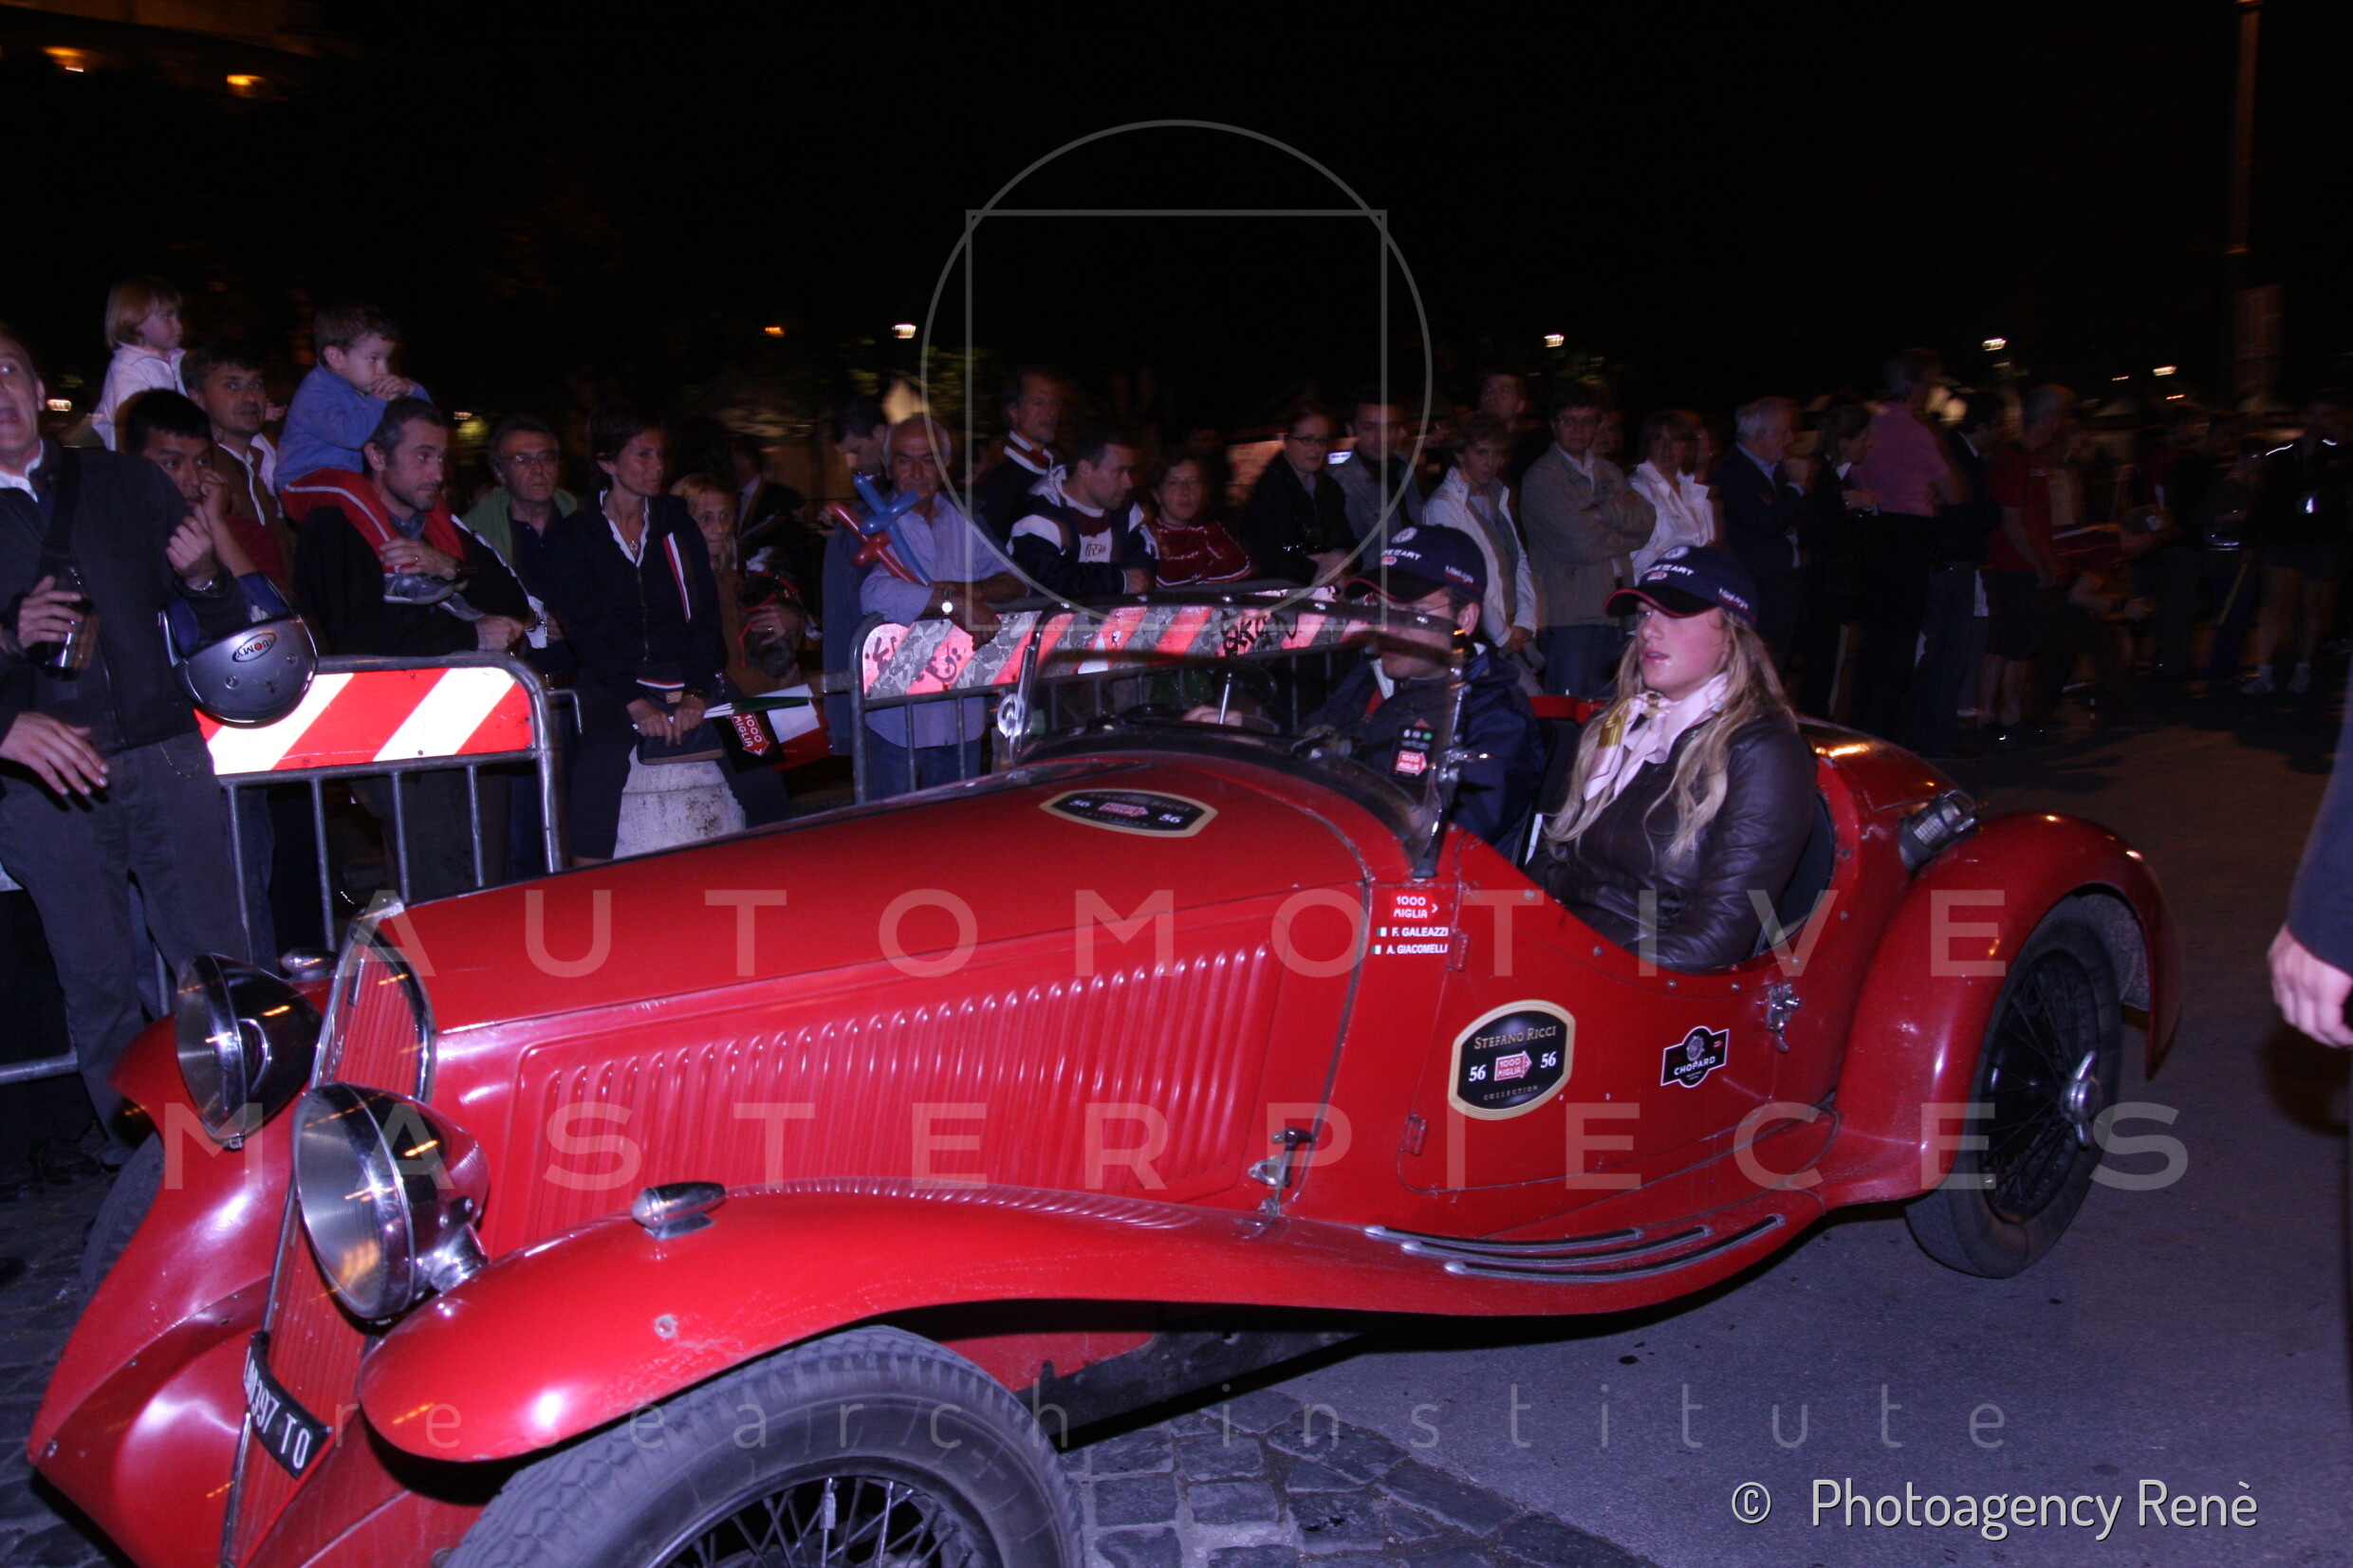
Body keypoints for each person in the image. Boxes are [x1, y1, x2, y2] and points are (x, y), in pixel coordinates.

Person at [0, 323, 249, 1153]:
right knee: (99, 981)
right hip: (45, 790)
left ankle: (250, 1133)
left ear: (39, 390)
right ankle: (148, 1162)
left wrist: (203, 575)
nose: (0, 392)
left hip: (163, 753)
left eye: (9, 370)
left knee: (215, 963)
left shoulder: (121, 481)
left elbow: (217, 612)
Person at [290, 399, 533, 897]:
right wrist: (470, 636)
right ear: (377, 456)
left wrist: (450, 567)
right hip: (395, 732)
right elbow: (359, 631)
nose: (437, 473)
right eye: (422, 456)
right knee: (435, 878)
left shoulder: (440, 525)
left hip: (468, 725)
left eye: (442, 458)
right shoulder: (335, 525)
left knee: (486, 874)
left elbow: (512, 602)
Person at [1534, 546, 1816, 972]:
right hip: (1566, 946)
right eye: (1645, 614)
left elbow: (1716, 938)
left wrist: (1589, 973)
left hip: (1650, 980)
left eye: (1675, 614)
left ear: (1731, 636)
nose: (1649, 630)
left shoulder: (1764, 752)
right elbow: (1545, 861)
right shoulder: (1613, 727)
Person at [547, 406, 787, 861]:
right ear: (607, 462)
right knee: (600, 762)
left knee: (757, 751)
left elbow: (704, 618)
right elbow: (586, 630)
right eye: (642, 455)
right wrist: (635, 703)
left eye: (661, 454)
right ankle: (587, 882)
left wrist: (696, 692)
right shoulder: (576, 536)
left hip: (689, 669)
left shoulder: (677, 525)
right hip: (613, 676)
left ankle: (783, 866)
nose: (656, 466)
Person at [1299, 526, 1541, 849]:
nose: (1388, 627)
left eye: (1414, 612)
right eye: (1381, 608)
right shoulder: (1371, 677)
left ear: (1465, 619)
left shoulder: (1496, 718)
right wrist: (1248, 734)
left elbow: (1444, 840)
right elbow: (1305, 746)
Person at [856, 415, 1026, 797]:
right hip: (893, 717)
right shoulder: (869, 524)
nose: (917, 473)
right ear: (887, 465)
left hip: (961, 712)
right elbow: (873, 593)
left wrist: (967, 592)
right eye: (905, 460)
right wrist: (951, 603)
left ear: (946, 464)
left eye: (928, 460)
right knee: (893, 824)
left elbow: (1015, 579)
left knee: (956, 823)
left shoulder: (966, 519)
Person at [1847, 349, 1961, 741]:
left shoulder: (1873, 423)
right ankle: (1884, 732)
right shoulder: (1916, 432)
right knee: (1899, 645)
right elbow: (1956, 491)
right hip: (1908, 539)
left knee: (1872, 644)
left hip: (1873, 533)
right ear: (1918, 386)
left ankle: (1861, 726)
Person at [1520, 386, 1656, 699]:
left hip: (1616, 610)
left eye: (1588, 421)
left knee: (1611, 710)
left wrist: (1601, 512)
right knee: (1569, 710)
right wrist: (1621, 524)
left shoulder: (1608, 470)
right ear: (1554, 425)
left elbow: (1646, 525)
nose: (1579, 429)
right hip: (1570, 615)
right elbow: (1582, 545)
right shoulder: (1543, 478)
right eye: (1569, 421)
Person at [1908, 391, 2006, 755]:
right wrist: (1990, 510)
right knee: (1947, 650)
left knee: (1945, 649)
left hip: (1950, 560)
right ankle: (1936, 731)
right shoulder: (1957, 459)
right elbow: (1966, 511)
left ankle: (1934, 728)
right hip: (1950, 561)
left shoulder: (1963, 456)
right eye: (1998, 426)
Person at [1978, 385, 2075, 743]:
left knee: (2015, 647)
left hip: (2019, 564)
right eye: (2058, 416)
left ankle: (2006, 716)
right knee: (2007, 646)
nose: (2060, 424)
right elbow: (2014, 520)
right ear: (2046, 417)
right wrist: (2042, 562)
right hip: (2012, 566)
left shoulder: (2028, 459)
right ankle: (1993, 717)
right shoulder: (2015, 459)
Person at [2242, 390, 2353, 696]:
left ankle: (2302, 669)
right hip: (2284, 537)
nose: (2319, 421)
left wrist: (2342, 441)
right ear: (2303, 416)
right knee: (2274, 602)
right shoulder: (2281, 455)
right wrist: (2252, 540)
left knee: (2310, 606)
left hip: (2320, 538)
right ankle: (2265, 672)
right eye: (2314, 414)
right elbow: (2263, 500)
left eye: (2326, 415)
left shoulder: (2337, 454)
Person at [462, 415, 579, 675]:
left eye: (546, 458)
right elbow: (467, 607)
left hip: (588, 676)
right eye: (522, 460)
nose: (538, 470)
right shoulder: (476, 533)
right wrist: (527, 623)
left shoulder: (584, 521)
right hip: (513, 676)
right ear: (499, 473)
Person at [1421, 413, 1536, 657]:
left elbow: (1518, 559)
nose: (1491, 462)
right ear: (1461, 454)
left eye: (1497, 453)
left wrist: (1525, 620)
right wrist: (1501, 634)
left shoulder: (1497, 496)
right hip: (1476, 631)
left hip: (1507, 624)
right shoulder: (1444, 505)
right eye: (1481, 452)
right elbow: (1462, 578)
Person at [277, 304, 421, 491]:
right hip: (304, 484)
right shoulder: (314, 393)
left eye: (386, 359)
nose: (384, 370)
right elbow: (351, 436)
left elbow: (422, 418)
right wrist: (377, 400)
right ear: (336, 357)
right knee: (361, 493)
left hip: (338, 483)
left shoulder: (359, 387)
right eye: (373, 359)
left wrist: (409, 390)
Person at [184, 340, 295, 582]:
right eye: (232, 386)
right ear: (197, 398)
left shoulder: (261, 463)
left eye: (256, 385)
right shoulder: (202, 476)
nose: (250, 397)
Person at [1791, 403, 1876, 718]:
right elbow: (1825, 533)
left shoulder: (1840, 479)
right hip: (1821, 586)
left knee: (1827, 663)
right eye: (1863, 437)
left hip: (1832, 586)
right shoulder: (1822, 480)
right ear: (1844, 442)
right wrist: (1856, 509)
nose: (1869, 443)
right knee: (1819, 664)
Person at [1714, 396, 1809, 667]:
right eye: (1782, 432)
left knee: (1779, 665)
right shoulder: (1732, 472)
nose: (1790, 439)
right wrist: (1796, 487)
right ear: (1758, 434)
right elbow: (1767, 523)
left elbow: (1805, 519)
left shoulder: (1778, 469)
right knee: (1757, 666)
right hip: (1757, 591)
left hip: (1784, 587)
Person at [1008, 422, 1156, 598]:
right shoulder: (1040, 513)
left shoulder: (1128, 512)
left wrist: (1084, 576)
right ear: (1084, 468)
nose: (1129, 483)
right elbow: (1047, 583)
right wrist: (1119, 580)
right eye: (1119, 472)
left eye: (1130, 472)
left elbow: (1142, 575)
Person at [820, 396, 892, 752]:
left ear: (880, 434)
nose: (851, 463)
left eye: (856, 450)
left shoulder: (895, 492)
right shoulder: (869, 490)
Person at [1238, 400, 1354, 586]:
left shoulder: (1330, 488)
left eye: (1323, 440)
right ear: (1285, 440)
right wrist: (1319, 568)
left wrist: (1340, 557)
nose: (1317, 448)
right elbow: (1265, 558)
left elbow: (1347, 541)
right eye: (1307, 439)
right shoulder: (1268, 491)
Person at [971, 367, 1066, 544]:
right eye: (1039, 403)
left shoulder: (1066, 470)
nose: (1051, 412)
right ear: (1014, 411)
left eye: (1055, 403)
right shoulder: (997, 483)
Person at [90, 275, 184, 452]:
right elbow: (133, 429)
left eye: (177, 316)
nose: (178, 324)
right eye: (167, 316)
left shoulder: (175, 363)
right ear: (134, 320)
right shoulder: (129, 370)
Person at [1142, 451, 1253, 587]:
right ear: (1156, 494)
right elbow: (1166, 582)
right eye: (1174, 483)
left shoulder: (1209, 530)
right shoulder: (1145, 536)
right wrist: (1207, 570)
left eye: (1193, 481)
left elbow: (1243, 569)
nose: (1186, 491)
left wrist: (1196, 578)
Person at [1627, 410, 1716, 577]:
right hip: (1654, 583)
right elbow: (1634, 557)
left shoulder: (1692, 490)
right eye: (1658, 439)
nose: (1667, 448)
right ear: (1647, 445)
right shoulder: (1638, 489)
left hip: (1690, 583)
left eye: (1676, 440)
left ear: (1688, 447)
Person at [1330, 391, 1425, 544]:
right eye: (1369, 428)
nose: (1381, 438)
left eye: (1389, 428)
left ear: (1399, 431)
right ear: (1351, 430)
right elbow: (1354, 551)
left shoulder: (1404, 467)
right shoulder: (1341, 481)